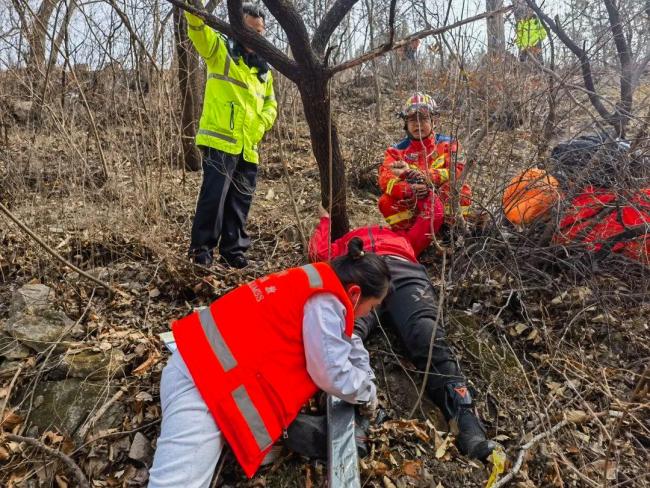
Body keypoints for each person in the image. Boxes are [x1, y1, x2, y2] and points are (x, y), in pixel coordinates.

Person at [148, 241, 391, 486]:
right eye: (372, 307)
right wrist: (367, 393)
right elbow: (330, 373)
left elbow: (346, 341)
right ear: (355, 293)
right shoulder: (326, 302)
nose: (367, 314)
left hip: (198, 364)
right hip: (204, 388)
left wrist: (364, 373)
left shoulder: (315, 280)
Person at [309, 207, 498, 461]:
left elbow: (435, 214)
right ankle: (354, 418)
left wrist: (421, 181)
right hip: (360, 278)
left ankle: (465, 420)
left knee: (425, 331)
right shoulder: (347, 248)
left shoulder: (402, 237)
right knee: (345, 333)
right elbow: (317, 253)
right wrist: (325, 221)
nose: (372, 224)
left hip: (402, 271)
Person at [185, 3, 277, 268]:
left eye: (259, 31)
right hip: (221, 141)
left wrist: (261, 124)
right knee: (214, 198)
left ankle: (233, 251)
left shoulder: (263, 70)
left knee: (240, 202)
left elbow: (271, 105)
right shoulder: (220, 50)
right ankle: (201, 251)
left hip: (249, 146)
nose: (254, 36)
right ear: (237, 27)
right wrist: (193, 6)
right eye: (249, 29)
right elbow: (198, 29)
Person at [378, 92, 472, 231]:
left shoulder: (450, 144)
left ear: (434, 121)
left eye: (423, 119)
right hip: (412, 201)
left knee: (463, 190)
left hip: (440, 196)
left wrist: (428, 180)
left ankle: (451, 232)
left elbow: (459, 171)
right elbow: (385, 180)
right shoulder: (396, 151)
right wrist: (408, 190)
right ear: (405, 124)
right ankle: (408, 237)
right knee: (386, 201)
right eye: (412, 120)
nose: (418, 124)